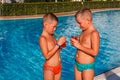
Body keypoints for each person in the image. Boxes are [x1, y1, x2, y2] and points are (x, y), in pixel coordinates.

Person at [71, 8, 100, 80]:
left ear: (88, 21)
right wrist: (76, 43)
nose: (78, 25)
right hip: (77, 64)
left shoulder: (94, 33)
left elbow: (95, 52)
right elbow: (83, 45)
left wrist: (79, 46)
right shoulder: (83, 31)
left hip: (87, 66)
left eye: (79, 23)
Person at [39, 13, 66, 80]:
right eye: (53, 26)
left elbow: (55, 50)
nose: (55, 29)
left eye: (55, 27)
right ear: (45, 24)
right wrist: (58, 44)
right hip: (49, 69)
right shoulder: (43, 38)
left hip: (58, 66)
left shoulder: (52, 36)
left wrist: (60, 46)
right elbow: (46, 56)